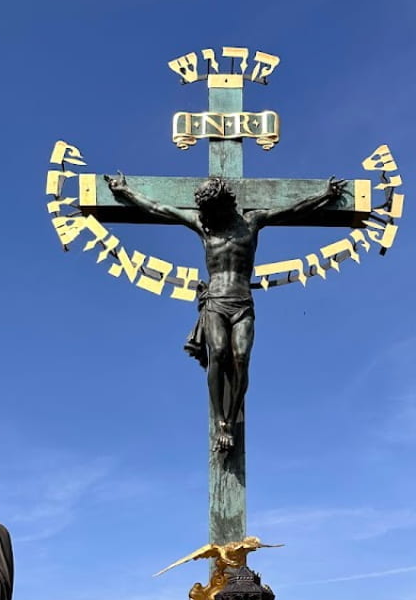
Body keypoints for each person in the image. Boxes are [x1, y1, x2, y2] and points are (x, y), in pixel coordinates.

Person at [104, 172, 345, 453]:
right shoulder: (204, 226)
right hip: (216, 302)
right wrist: (125, 191)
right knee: (218, 353)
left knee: (241, 358)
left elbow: (293, 210)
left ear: (225, 203)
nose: (208, 215)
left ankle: (231, 420)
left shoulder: (252, 222)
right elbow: (159, 209)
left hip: (242, 302)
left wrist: (325, 196)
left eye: (213, 210)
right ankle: (221, 423)